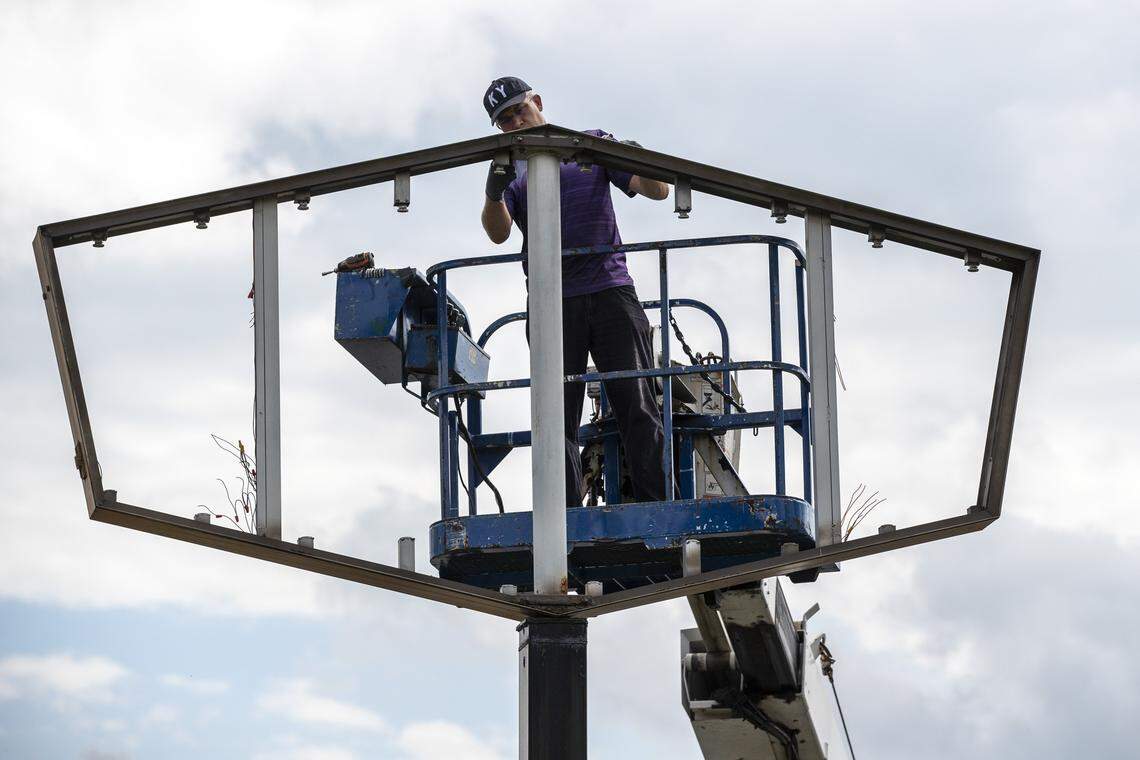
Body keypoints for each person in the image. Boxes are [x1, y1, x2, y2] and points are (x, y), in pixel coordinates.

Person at [479, 76, 673, 507]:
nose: (515, 121)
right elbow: (498, 232)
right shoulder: (513, 171)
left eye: (519, 109)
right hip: (552, 302)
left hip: (610, 290)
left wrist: (640, 158)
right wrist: (493, 191)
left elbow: (657, 190)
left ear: (538, 102)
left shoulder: (590, 145)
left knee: (637, 405)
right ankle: (564, 516)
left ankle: (658, 509)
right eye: (505, 119)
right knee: (555, 418)